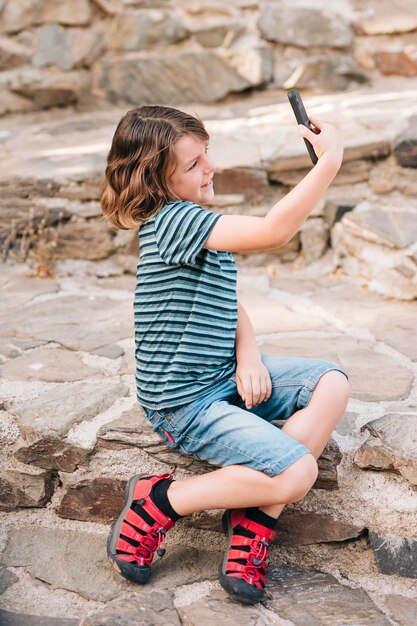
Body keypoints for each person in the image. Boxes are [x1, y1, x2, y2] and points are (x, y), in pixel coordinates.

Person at [100, 105, 349, 605]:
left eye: (205, 155)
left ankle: (254, 518)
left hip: (221, 376)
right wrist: (328, 164)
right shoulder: (172, 221)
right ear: (155, 182)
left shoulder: (196, 222)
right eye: (192, 165)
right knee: (297, 472)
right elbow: (274, 232)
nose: (208, 168)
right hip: (183, 402)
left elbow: (226, 302)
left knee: (332, 382)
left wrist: (250, 356)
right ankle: (159, 501)